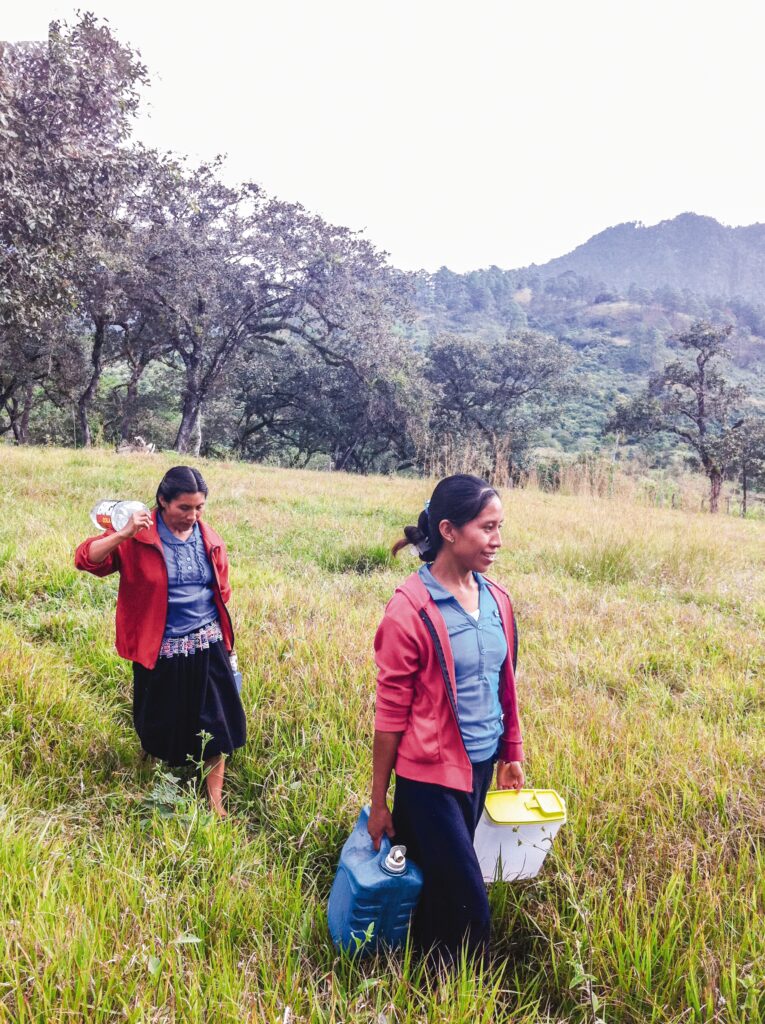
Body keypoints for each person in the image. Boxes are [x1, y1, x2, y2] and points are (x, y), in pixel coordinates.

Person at [368, 474, 524, 965]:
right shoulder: (409, 609)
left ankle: (423, 978)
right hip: (428, 778)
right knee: (469, 899)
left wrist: (511, 753)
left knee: (439, 888)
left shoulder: (497, 599)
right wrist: (378, 802)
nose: (497, 540)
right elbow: (389, 716)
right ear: (450, 531)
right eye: (487, 528)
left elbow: (505, 685)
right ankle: (468, 994)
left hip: (478, 767)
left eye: (500, 527)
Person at [75, 466, 245, 815]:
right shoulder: (139, 537)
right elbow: (86, 560)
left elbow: (221, 590)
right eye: (184, 508)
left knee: (217, 725)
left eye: (199, 507)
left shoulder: (209, 538)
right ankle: (155, 784)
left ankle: (216, 803)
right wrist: (123, 534)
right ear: (162, 501)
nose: (193, 516)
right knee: (158, 722)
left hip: (207, 642)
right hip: (161, 647)